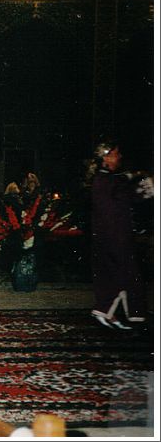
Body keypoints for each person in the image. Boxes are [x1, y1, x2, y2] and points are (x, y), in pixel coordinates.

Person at [88, 137, 153, 329]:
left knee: (124, 274)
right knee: (122, 274)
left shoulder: (111, 180)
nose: (120, 157)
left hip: (116, 236)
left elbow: (128, 196)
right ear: (105, 158)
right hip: (113, 237)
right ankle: (115, 313)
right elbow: (123, 200)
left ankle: (115, 313)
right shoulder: (104, 182)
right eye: (116, 154)